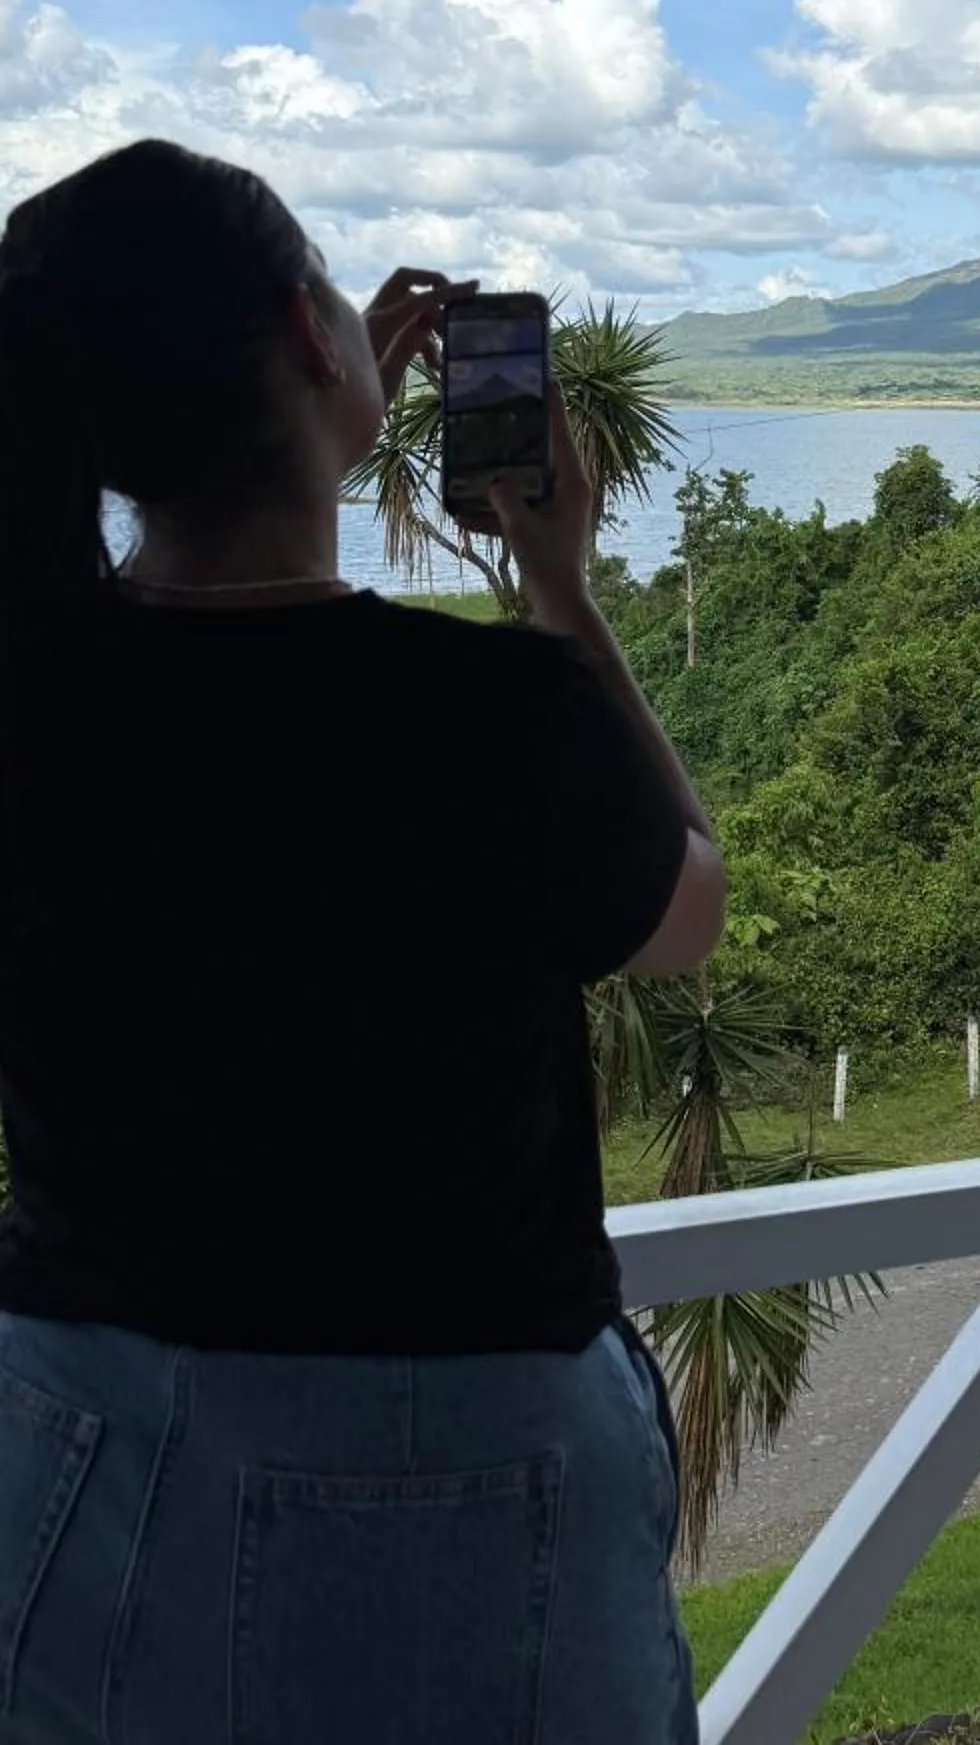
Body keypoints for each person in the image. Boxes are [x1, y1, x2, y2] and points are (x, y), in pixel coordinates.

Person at [0, 139, 725, 1743]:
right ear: (314, 337)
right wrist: (561, 589)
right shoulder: (496, 717)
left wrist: (300, 422)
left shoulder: (35, 703)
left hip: (71, 1446)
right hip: (454, 1466)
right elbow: (687, 911)